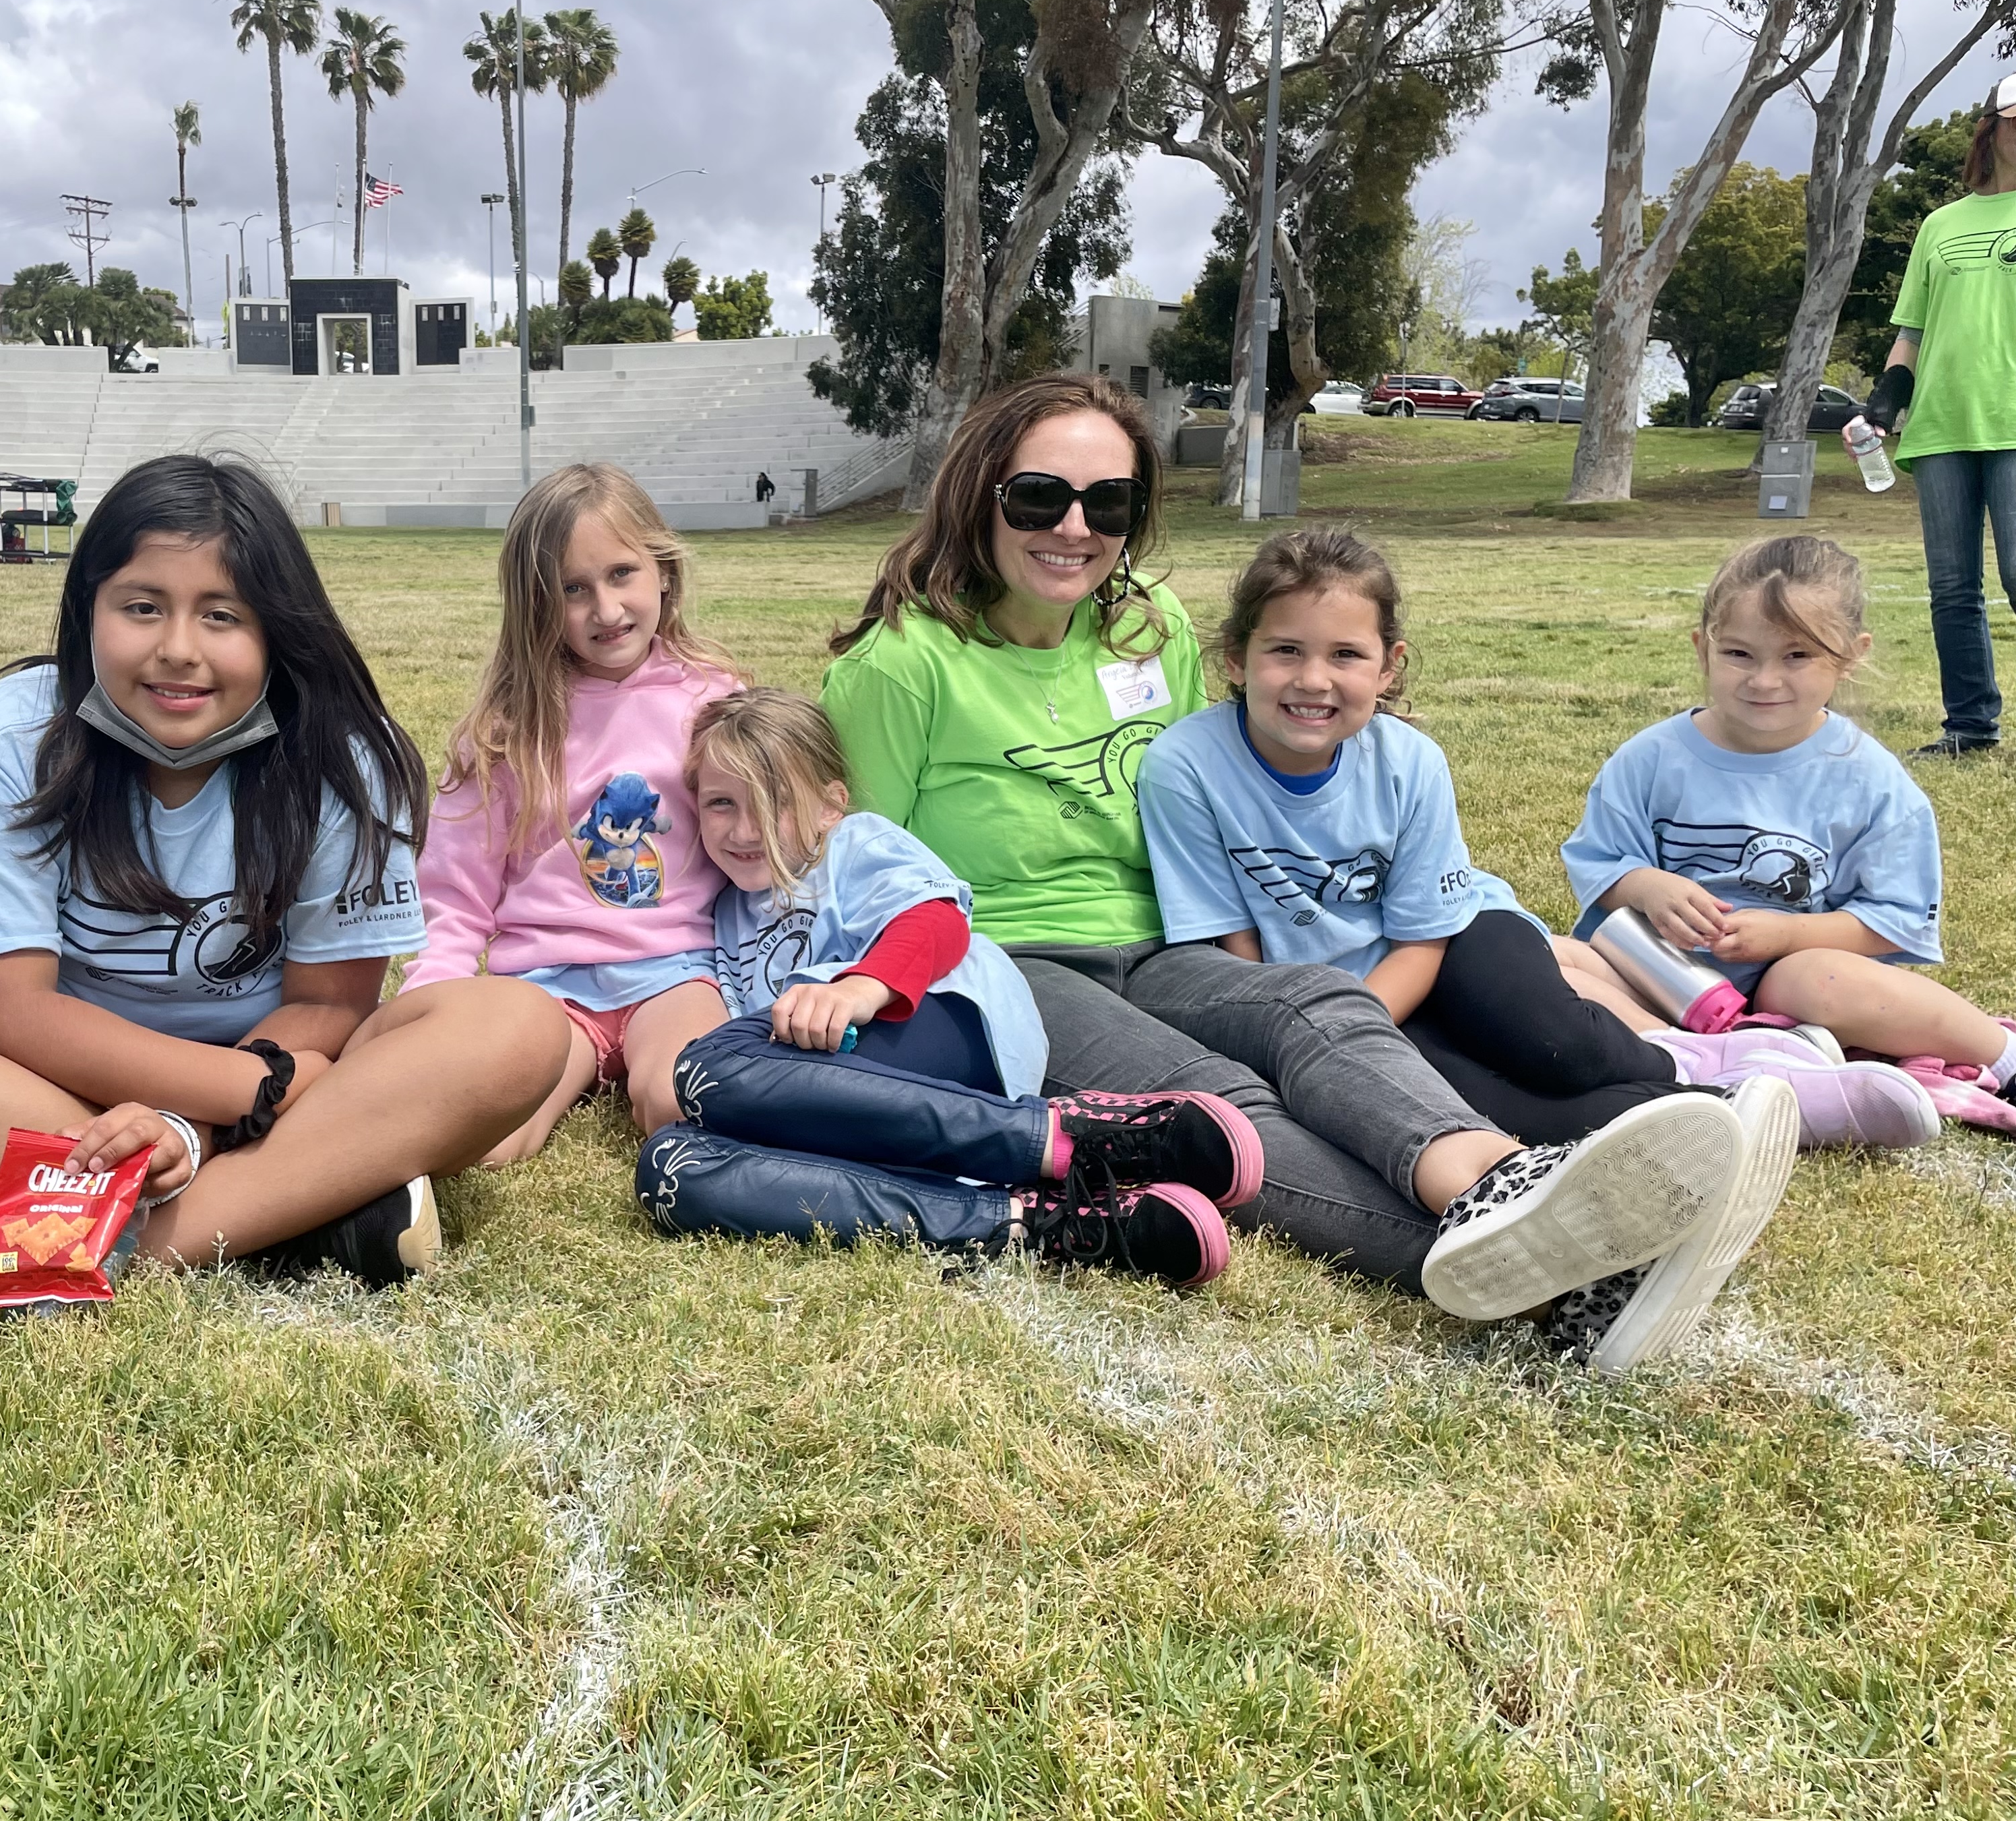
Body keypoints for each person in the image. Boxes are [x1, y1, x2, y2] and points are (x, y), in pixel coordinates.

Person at [820, 371, 1796, 1371]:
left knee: (1315, 1005)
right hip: (1020, 959)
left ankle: (1504, 1184)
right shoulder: (901, 667)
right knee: (1217, 1103)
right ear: (980, 492)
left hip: (1168, 943)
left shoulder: (1145, 621)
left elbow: (1230, 776)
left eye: (1108, 502)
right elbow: (865, 871)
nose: (1074, 526)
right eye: (1039, 497)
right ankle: (1536, 1268)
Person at [0, 454, 568, 1299]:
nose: (178, 650)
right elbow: (2, 1005)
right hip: (71, 1085)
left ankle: (92, 1236)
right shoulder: (5, 735)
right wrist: (230, 1096)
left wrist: (196, 1129)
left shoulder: (344, 756)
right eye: (143, 608)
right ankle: (298, 1212)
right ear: (87, 613)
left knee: (515, 1027)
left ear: (277, 631)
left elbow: (332, 1006)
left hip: (276, 1072)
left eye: (222, 615)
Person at [1138, 526, 1936, 1150]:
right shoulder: (1186, 765)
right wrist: (1327, 1032)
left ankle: (1713, 1059)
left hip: (1453, 944)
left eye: (1346, 654)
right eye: (1286, 650)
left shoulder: (1407, 759)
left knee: (1558, 1046)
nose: (1314, 680)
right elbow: (1231, 953)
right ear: (1237, 658)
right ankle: (1749, 1110)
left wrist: (1361, 1027)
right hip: (1321, 999)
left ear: (1389, 668)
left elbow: (1424, 939)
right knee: (1508, 1112)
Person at [637, 688, 1262, 1285]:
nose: (746, 830)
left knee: (708, 1068)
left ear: (831, 803)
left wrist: (861, 988)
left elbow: (937, 923)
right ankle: (1032, 1221)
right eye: (722, 804)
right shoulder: (727, 912)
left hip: (946, 1028)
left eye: (775, 801)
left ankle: (1063, 1135)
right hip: (859, 1105)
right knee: (673, 1169)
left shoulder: (855, 843)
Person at [1564, 533, 2015, 1121]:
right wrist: (1648, 886)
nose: (1764, 681)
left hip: (1799, 992)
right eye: (1739, 655)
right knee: (1545, 959)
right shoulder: (1650, 758)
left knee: (1819, 979)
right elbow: (1599, 861)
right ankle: (1699, 1061)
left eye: (1797, 656)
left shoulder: (1871, 779)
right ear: (1704, 649)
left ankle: (2005, 1057)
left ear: (1850, 655)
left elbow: (1893, 922)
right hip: (1658, 981)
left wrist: (1785, 937)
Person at [408, 464, 744, 1163]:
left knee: (681, 1097)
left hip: (676, 970)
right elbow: (457, 894)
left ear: (663, 572)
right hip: (544, 987)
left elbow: (758, 843)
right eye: (572, 590)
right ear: (535, 605)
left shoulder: (715, 701)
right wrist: (432, 1001)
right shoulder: (507, 730)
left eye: (622, 574)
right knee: (489, 1140)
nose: (606, 608)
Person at [1863, 72, 2016, 758]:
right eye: (2014, 121)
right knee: (1953, 589)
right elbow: (1911, 334)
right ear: (1991, 130)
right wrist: (1881, 404)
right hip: (1942, 427)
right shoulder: (1940, 225)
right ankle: (1970, 727)